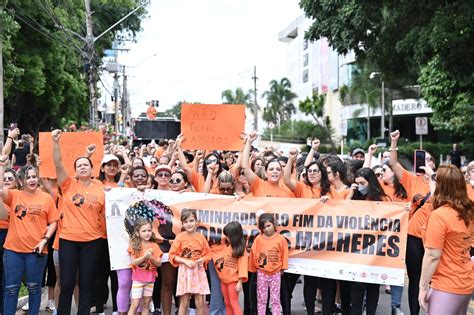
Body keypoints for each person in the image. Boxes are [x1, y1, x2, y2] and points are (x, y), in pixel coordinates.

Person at [51, 129, 105, 315]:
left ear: (92, 169)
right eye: (79, 165)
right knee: (66, 283)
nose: (82, 167)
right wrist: (56, 142)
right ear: (75, 170)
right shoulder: (68, 185)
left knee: (87, 283)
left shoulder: (101, 188)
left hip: (92, 241)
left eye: (86, 164)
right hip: (68, 241)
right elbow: (58, 165)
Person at [0, 159, 59, 315]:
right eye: (28, 177)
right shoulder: (14, 195)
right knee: (11, 289)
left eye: (34, 176)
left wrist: (45, 240)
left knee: (34, 287)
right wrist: (2, 166)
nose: (32, 180)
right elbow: (1, 189)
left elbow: (53, 221)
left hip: (36, 252)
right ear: (20, 181)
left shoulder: (46, 198)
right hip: (13, 251)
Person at [389, 130, 434, 315]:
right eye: (424, 160)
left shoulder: (439, 181)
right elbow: (393, 163)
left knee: (434, 279)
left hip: (434, 238)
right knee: (415, 279)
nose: (426, 163)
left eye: (430, 160)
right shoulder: (411, 179)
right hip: (414, 238)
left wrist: (433, 177)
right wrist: (394, 142)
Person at [418, 165, 473, 314]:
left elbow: (432, 256)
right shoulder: (467, 210)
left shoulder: (440, 216)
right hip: (465, 281)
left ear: (441, 186)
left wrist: (422, 288)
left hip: (446, 284)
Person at [347, 167, 390, 315]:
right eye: (357, 183)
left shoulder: (383, 199)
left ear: (371, 182)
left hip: (376, 248)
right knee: (357, 285)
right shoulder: (355, 197)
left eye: (363, 183)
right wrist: (351, 193)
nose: (360, 186)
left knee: (373, 285)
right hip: (358, 248)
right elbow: (342, 213)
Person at [169, 209, 212, 315]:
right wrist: (185, 261)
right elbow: (172, 256)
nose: (189, 224)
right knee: (184, 301)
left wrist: (203, 259)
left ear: (197, 222)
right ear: (182, 224)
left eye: (191, 221)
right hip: (185, 271)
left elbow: (208, 254)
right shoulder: (180, 237)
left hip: (198, 271)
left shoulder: (201, 237)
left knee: (200, 302)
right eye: (186, 222)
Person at [249, 213, 288, 315]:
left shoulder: (281, 239)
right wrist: (254, 268)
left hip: (276, 273)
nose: (266, 229)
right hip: (262, 273)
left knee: (275, 300)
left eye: (268, 226)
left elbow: (284, 254)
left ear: (273, 224)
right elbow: (253, 253)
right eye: (263, 227)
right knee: (261, 300)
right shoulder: (258, 239)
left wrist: (283, 268)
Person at [127, 219, 163, 315]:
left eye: (149, 230)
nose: (147, 233)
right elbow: (133, 262)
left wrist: (151, 257)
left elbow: (159, 263)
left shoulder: (154, 246)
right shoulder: (135, 245)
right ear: (138, 233)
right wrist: (144, 257)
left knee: (146, 304)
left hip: (150, 280)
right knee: (135, 304)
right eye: (144, 231)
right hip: (138, 279)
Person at [213, 221, 248, 315]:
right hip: (224, 281)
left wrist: (240, 282)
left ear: (235, 236)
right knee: (227, 303)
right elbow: (214, 251)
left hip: (233, 281)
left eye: (228, 236)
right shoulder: (227, 246)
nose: (226, 237)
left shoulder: (241, 249)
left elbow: (243, 266)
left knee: (234, 303)